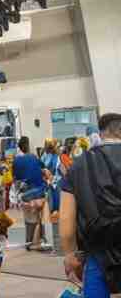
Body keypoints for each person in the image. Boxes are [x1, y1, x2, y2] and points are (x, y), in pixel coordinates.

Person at [60, 113, 121, 298]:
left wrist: (70, 255)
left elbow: (66, 219)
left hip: (97, 255)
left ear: (100, 134)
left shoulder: (78, 165)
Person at [12, 136, 50, 251]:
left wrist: (18, 195)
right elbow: (44, 169)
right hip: (40, 192)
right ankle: (44, 240)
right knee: (43, 217)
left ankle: (29, 243)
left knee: (30, 220)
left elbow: (15, 179)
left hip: (26, 194)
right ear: (28, 145)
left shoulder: (16, 161)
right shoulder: (34, 157)